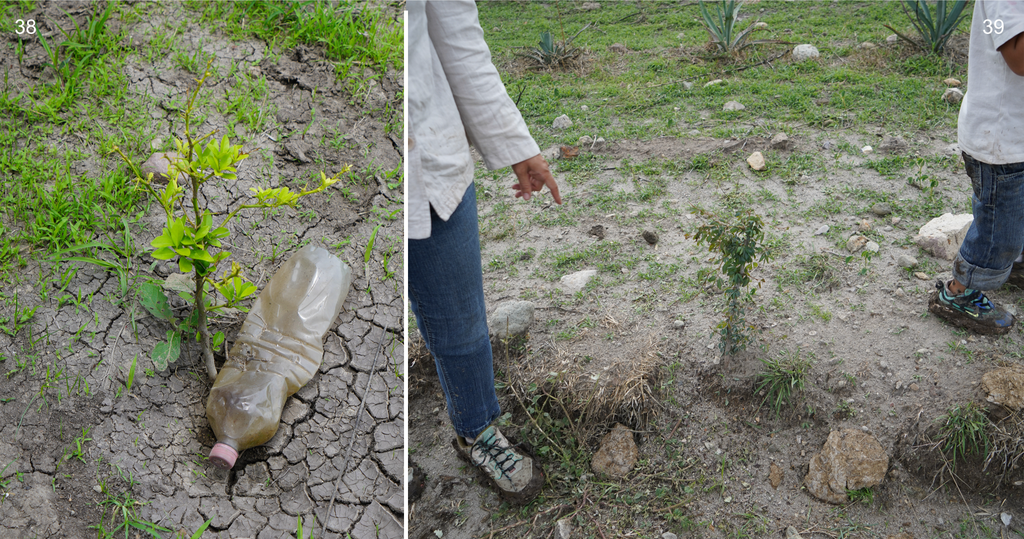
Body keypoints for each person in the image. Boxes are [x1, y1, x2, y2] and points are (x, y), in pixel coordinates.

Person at [407, 0, 562, 503]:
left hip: (430, 161)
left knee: (461, 323)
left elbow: (455, 34)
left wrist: (515, 145)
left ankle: (477, 431)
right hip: (342, 165)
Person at [929, 1, 1024, 335]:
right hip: (1002, 143)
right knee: (999, 228)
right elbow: (1018, 58)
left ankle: (1011, 265)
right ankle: (959, 292)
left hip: (1017, 135)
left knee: (1017, 217)